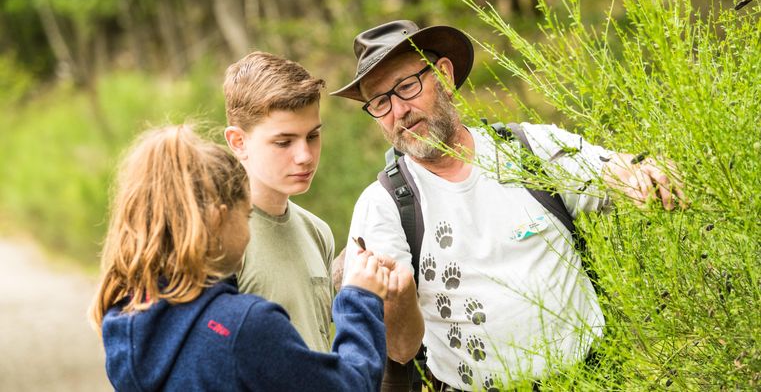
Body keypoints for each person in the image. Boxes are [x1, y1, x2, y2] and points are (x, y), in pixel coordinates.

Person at [331, 20, 686, 390]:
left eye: (406, 86)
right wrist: (398, 297)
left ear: (445, 76)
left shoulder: (529, 149)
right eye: (380, 102)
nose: (398, 111)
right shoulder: (384, 204)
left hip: (593, 377)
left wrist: (642, 171)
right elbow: (401, 350)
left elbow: (609, 172)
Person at [89, 125, 390, 391]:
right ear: (220, 220)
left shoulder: (127, 316)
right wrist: (360, 299)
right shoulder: (247, 326)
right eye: (245, 217)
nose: (248, 234)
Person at [222, 51, 335, 352]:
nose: (305, 156)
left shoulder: (318, 232)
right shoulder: (217, 237)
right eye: (284, 142)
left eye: (312, 136)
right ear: (238, 142)